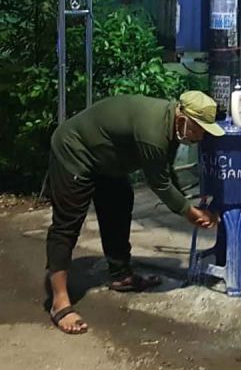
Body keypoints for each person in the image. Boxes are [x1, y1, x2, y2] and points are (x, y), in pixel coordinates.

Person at [45, 91, 223, 335]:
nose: (200, 136)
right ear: (181, 116)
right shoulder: (154, 133)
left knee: (120, 201)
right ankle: (59, 302)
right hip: (75, 150)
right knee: (68, 223)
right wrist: (189, 211)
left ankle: (120, 274)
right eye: (197, 128)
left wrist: (187, 202)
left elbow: (166, 172)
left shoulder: (171, 127)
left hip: (106, 160)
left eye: (204, 131)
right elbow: (159, 183)